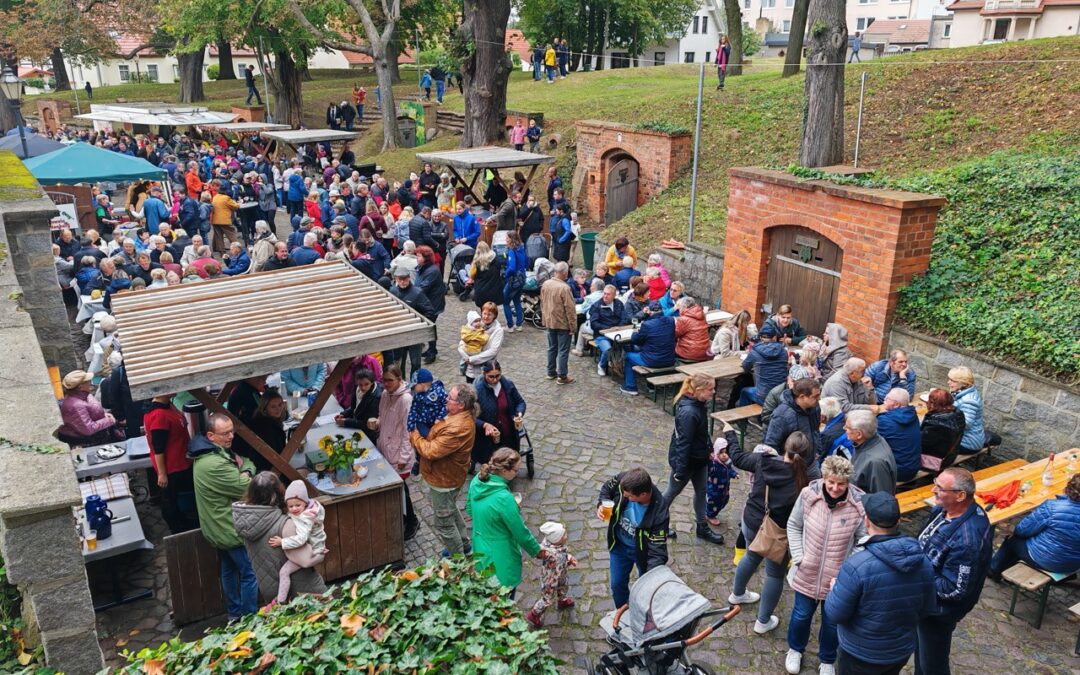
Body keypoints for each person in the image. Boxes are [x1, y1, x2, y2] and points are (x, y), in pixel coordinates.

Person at [824, 492, 937, 675]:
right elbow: (927, 608)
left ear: (866, 521)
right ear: (898, 521)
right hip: (898, 652)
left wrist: (834, 590)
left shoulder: (856, 566)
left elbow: (835, 614)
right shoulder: (923, 562)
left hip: (859, 653)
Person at [785, 456, 867, 675]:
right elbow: (793, 525)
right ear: (823, 477)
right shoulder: (808, 495)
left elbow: (863, 539)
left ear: (848, 483)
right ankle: (795, 649)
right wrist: (799, 556)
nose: (835, 488)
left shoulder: (858, 504)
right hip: (806, 572)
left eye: (841, 484)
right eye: (831, 482)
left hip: (838, 580)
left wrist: (848, 570)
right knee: (801, 615)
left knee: (832, 622)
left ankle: (828, 659)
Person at [729, 431, 816, 635]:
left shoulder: (763, 460)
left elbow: (738, 457)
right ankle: (763, 621)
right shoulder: (806, 479)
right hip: (778, 532)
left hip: (752, 520)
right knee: (774, 574)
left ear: (785, 447)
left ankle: (737, 594)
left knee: (751, 555)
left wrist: (731, 435)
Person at [915, 467, 992, 675]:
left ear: (960, 495)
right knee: (920, 652)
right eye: (935, 483)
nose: (933, 490)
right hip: (923, 602)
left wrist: (916, 577)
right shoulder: (943, 510)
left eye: (940, 488)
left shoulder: (968, 540)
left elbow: (955, 589)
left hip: (938, 611)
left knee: (933, 663)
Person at [189, 415, 259, 620]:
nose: (231, 436)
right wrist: (246, 470)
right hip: (228, 527)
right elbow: (246, 487)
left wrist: (243, 468)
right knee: (249, 573)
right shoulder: (215, 464)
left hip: (216, 527)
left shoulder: (208, 454)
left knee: (229, 570)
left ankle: (234, 615)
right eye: (225, 433)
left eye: (232, 431)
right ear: (211, 436)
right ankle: (250, 619)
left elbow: (243, 462)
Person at [233, 473, 327, 604]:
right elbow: (306, 560)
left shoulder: (246, 524)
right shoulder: (285, 523)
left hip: (269, 590)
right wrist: (319, 551)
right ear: (277, 494)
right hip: (302, 591)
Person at [410, 384, 477, 556]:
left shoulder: (458, 428)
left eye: (450, 398)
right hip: (448, 476)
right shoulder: (458, 415)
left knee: (444, 522)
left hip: (444, 480)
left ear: (461, 405)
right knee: (450, 508)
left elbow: (430, 451)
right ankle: (465, 545)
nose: (446, 398)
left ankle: (457, 561)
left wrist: (414, 435)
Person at [467, 446, 543, 591]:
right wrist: (537, 551)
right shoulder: (504, 498)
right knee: (504, 597)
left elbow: (470, 509)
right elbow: (520, 532)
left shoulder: (478, 480)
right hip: (500, 555)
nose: (517, 473)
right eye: (516, 470)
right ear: (504, 471)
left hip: (480, 548)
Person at [665, 374, 726, 544]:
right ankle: (656, 524)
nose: (713, 392)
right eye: (710, 389)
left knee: (702, 492)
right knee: (671, 492)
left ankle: (702, 527)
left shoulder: (698, 405)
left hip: (699, 459)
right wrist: (680, 470)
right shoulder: (689, 412)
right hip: (687, 462)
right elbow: (683, 443)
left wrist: (708, 448)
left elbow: (701, 433)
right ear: (698, 390)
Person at [597, 467, 670, 608]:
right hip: (618, 547)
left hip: (642, 554)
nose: (625, 498)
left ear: (643, 494)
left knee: (646, 591)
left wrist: (651, 578)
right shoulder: (624, 480)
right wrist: (602, 502)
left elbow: (658, 550)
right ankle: (622, 613)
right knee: (617, 586)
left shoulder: (659, 512)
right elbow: (606, 488)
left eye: (629, 497)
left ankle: (641, 614)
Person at [989, 473, 1080, 580]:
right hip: (1074, 564)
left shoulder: (1052, 507)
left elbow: (1022, 530)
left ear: (1069, 487)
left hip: (1048, 560)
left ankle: (993, 571)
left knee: (1013, 539)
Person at [265, 480, 327, 610]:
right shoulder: (311, 509)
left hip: (311, 552)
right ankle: (282, 601)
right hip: (315, 549)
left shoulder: (305, 518)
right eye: (290, 506)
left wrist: (283, 542)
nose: (294, 509)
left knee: (284, 572)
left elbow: (301, 539)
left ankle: (280, 603)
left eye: (297, 505)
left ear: (305, 502)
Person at [144, 394, 197, 534]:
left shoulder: (168, 405)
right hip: (172, 467)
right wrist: (162, 474)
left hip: (181, 461)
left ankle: (185, 522)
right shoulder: (159, 415)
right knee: (169, 500)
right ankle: (177, 529)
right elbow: (158, 448)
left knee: (176, 497)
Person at [525, 521, 577, 628]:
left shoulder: (557, 545)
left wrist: (569, 558)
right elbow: (552, 555)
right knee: (546, 598)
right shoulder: (549, 552)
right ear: (556, 539)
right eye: (564, 535)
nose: (566, 536)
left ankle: (562, 600)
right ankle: (534, 614)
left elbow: (562, 554)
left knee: (563, 585)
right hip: (550, 579)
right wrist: (567, 558)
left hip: (560, 573)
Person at [390, 266, 437, 376]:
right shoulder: (393, 291)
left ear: (409, 278)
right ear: (395, 279)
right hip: (399, 332)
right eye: (399, 279)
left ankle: (415, 386)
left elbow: (430, 312)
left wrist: (420, 325)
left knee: (415, 363)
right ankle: (401, 386)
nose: (402, 281)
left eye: (404, 279)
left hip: (415, 334)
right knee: (399, 362)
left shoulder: (417, 293)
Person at [55, 370, 121, 446]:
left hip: (97, 436)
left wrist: (104, 415)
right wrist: (109, 420)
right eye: (87, 381)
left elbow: (92, 411)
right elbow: (88, 429)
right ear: (80, 387)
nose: (90, 382)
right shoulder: (76, 405)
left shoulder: (85, 395)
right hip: (87, 441)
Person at [764, 378, 823, 459]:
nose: (819, 398)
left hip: (812, 463)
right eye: (816, 396)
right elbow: (771, 445)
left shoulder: (815, 407)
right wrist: (784, 463)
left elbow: (815, 431)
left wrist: (818, 451)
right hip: (792, 466)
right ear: (802, 397)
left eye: (819, 394)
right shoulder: (782, 415)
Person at [623, 306, 676, 395]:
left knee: (628, 356)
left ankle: (630, 387)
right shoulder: (671, 321)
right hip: (669, 359)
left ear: (650, 312)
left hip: (653, 360)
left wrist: (635, 332)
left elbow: (635, 340)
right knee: (649, 350)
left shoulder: (647, 325)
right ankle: (651, 385)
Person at [541, 261, 577, 384]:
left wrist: (544, 319)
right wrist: (573, 327)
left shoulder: (546, 284)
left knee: (552, 348)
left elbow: (543, 303)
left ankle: (550, 372)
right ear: (564, 273)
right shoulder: (564, 288)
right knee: (563, 350)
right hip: (562, 324)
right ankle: (562, 376)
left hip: (550, 321)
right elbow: (570, 309)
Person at [844, 410, 897, 495]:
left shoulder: (876, 462)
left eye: (847, 428)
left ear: (859, 434)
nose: (845, 430)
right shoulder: (868, 440)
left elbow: (882, 499)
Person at [876, 389, 923, 482]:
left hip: (898, 471)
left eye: (887, 398)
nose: (884, 399)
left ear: (897, 404)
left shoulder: (885, 421)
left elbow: (870, 441)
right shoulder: (913, 415)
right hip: (914, 466)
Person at [739, 323, 789, 405]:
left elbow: (745, 367)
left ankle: (743, 417)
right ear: (774, 337)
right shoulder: (783, 351)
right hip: (781, 395)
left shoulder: (755, 352)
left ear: (761, 337)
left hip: (764, 396)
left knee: (744, 391)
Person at [919, 389, 966, 469]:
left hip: (938, 461)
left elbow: (921, 443)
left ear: (934, 403)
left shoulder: (936, 423)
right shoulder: (958, 413)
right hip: (951, 454)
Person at [459, 303, 505, 383]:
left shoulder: (498, 330)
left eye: (489, 314)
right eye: (484, 313)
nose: (486, 317)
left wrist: (472, 359)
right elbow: (463, 341)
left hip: (486, 369)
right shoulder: (474, 324)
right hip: (471, 369)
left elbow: (493, 351)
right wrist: (465, 356)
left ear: (494, 316)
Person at [587, 284, 624, 377]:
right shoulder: (597, 306)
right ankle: (601, 365)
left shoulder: (619, 304)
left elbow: (624, 318)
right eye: (604, 293)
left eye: (608, 294)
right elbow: (594, 324)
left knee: (629, 346)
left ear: (614, 295)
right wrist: (609, 328)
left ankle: (617, 364)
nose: (605, 296)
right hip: (601, 335)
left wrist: (619, 327)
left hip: (617, 333)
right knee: (608, 349)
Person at [946, 366, 985, 454]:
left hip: (968, 442)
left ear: (964, 383)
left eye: (953, 381)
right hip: (961, 437)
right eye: (949, 379)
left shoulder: (969, 400)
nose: (948, 382)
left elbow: (966, 424)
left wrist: (945, 416)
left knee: (930, 440)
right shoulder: (960, 392)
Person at [406, 368, 447, 438]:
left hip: (436, 421)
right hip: (422, 422)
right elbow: (413, 410)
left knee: (439, 435)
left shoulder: (438, 391)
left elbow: (446, 404)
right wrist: (410, 427)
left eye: (414, 386)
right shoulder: (417, 396)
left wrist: (440, 417)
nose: (413, 389)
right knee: (428, 436)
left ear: (422, 385)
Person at [502, 231, 527, 331]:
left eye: (507, 238)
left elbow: (512, 268)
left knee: (505, 302)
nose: (505, 240)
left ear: (511, 239)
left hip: (513, 280)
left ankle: (510, 326)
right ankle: (519, 324)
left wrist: (506, 274)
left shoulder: (511, 251)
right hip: (522, 279)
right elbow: (526, 262)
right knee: (517, 301)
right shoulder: (521, 248)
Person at [674, 297, 711, 362]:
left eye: (679, 308)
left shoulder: (683, 320)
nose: (679, 310)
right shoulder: (702, 315)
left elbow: (675, 335)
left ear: (684, 307)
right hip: (705, 352)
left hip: (689, 353)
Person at [469, 242, 505, 308]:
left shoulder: (476, 262)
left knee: (484, 313)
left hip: (482, 292)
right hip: (495, 291)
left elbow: (471, 274)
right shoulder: (496, 260)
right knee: (493, 312)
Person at [211, 181, 240, 255]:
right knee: (232, 235)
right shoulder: (226, 198)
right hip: (224, 220)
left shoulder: (215, 197)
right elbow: (236, 206)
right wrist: (239, 203)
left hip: (215, 220)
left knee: (219, 236)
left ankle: (222, 251)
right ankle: (237, 249)